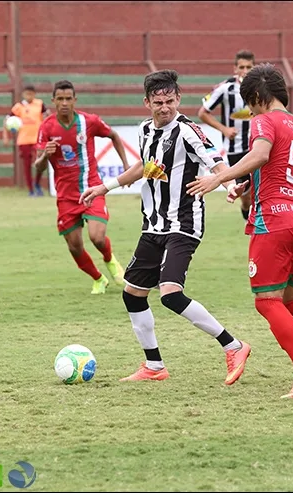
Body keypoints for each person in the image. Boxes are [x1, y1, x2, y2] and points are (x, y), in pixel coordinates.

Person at [187, 63, 293, 398]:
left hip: (274, 223)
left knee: (267, 301)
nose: (248, 110)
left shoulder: (263, 121)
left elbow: (263, 155)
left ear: (255, 97)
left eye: (248, 103)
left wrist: (219, 178)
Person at [80, 69, 252, 384]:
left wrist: (228, 184)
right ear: (147, 102)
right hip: (153, 225)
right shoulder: (145, 130)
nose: (165, 108)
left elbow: (214, 161)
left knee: (170, 294)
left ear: (178, 99)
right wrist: (104, 188)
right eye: (158, 102)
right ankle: (155, 367)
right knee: (133, 294)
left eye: (170, 101)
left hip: (184, 223)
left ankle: (234, 346)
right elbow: (143, 166)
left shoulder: (189, 131)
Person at [35, 79, 130, 295]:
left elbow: (113, 135)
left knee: (97, 237)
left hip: (92, 188)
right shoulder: (47, 127)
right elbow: (38, 168)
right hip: (66, 195)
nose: (65, 103)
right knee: (74, 246)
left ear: (75, 100)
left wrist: (126, 165)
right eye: (60, 99)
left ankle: (110, 260)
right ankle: (98, 279)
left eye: (69, 98)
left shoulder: (89, 121)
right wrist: (44, 155)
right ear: (53, 101)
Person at [198, 50, 256, 222]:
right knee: (245, 196)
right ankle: (247, 215)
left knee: (262, 188)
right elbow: (203, 113)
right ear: (235, 68)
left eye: (249, 67)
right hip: (235, 148)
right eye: (242, 67)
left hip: (258, 146)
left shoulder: (261, 87)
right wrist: (224, 129)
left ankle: (258, 225)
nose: (245, 70)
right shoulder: (225, 89)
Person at [3, 84, 50, 196]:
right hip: (24, 140)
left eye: (31, 94)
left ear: (34, 94)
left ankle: (37, 183)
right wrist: (5, 136)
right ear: (23, 94)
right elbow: (7, 120)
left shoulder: (40, 104)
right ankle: (31, 190)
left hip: (37, 139)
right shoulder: (18, 107)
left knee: (41, 163)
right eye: (27, 93)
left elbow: (48, 117)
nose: (29, 96)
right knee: (27, 165)